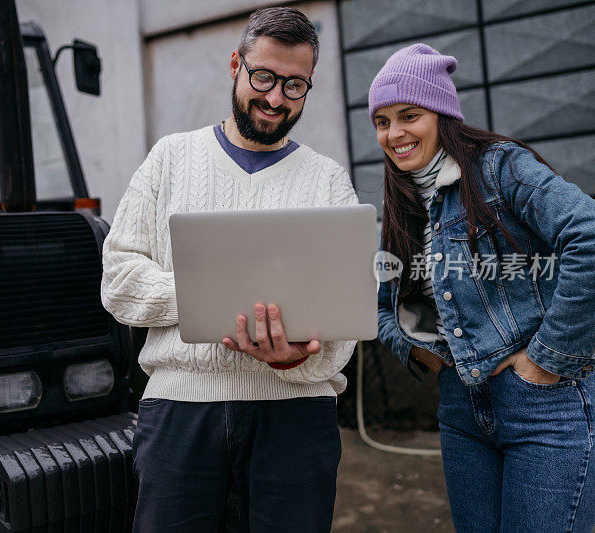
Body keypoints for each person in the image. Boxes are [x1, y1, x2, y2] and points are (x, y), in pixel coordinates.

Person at [101, 7, 359, 531]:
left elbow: (349, 316)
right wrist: (211, 298)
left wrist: (292, 361)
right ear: (236, 64)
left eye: (294, 86)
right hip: (180, 408)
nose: (274, 98)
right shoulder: (170, 159)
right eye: (263, 77)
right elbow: (119, 280)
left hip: (296, 415)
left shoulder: (329, 180)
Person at [371, 43, 595, 532]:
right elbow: (384, 307)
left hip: (543, 405)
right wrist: (418, 352)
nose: (395, 133)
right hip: (459, 408)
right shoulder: (402, 201)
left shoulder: (500, 168)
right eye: (383, 121)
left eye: (409, 114)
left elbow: (589, 237)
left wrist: (546, 360)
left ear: (443, 114)